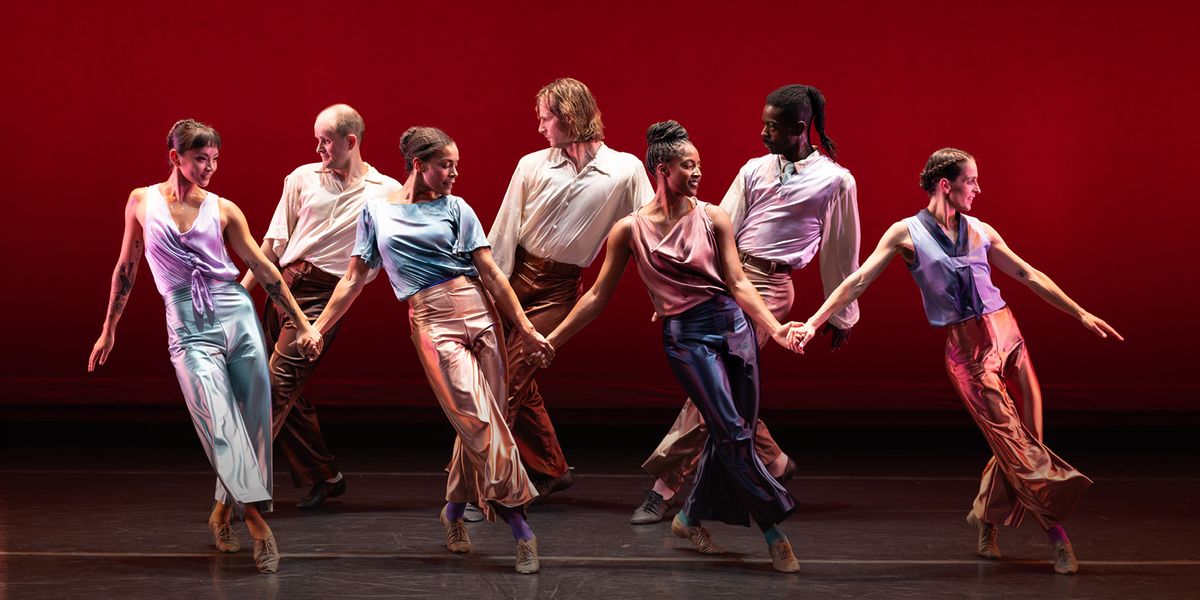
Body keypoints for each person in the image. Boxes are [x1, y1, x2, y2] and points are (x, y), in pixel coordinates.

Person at [791, 147, 1123, 575]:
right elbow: (856, 281)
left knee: (1029, 441)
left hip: (1009, 336)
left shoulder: (981, 230)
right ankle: (1058, 539)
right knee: (1021, 452)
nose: (978, 189)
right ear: (946, 185)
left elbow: (1028, 274)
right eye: (972, 181)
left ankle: (985, 518)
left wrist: (1080, 313)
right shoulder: (906, 233)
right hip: (969, 354)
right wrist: (815, 323)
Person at [546, 121, 805, 573]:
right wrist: (552, 340)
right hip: (688, 338)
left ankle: (688, 517)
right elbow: (596, 297)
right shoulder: (629, 230)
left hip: (735, 328)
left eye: (698, 164)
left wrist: (775, 328)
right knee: (732, 430)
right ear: (663, 169)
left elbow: (738, 282)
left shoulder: (714, 217)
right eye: (689, 165)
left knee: (734, 432)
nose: (698, 172)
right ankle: (773, 530)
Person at [302, 127, 552, 574]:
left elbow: (492, 273)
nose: (455, 173)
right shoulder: (377, 212)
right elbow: (353, 279)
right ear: (418, 165)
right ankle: (521, 527)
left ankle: (453, 511)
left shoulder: (457, 207)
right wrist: (318, 328)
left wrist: (527, 329)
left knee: (484, 422)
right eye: (446, 165)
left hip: (481, 314)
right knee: (479, 420)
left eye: (457, 165)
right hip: (432, 321)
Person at [88, 119, 323, 574]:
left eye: (215, 159)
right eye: (200, 159)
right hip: (187, 323)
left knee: (253, 423)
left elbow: (263, 267)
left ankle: (220, 513)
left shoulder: (224, 209)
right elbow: (127, 267)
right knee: (218, 420)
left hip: (236, 315)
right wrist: (109, 328)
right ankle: (256, 522)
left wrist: (301, 322)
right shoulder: (141, 201)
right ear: (174, 157)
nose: (210, 168)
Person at [633, 84, 862, 524]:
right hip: (727, 279)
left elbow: (841, 249)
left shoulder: (835, 180)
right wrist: (680, 287)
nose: (762, 133)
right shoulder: (755, 168)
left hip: (771, 287)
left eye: (772, 126)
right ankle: (773, 460)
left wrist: (841, 314)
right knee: (724, 388)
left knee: (710, 392)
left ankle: (664, 487)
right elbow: (715, 225)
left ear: (799, 128)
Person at [488, 78, 654, 500]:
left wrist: (664, 293)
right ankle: (552, 468)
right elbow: (504, 230)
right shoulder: (532, 164)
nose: (540, 127)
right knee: (501, 376)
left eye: (546, 118)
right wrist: (489, 290)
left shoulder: (624, 170)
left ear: (569, 116)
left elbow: (650, 235)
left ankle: (483, 484)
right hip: (513, 278)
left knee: (511, 380)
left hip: (557, 290)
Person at [242, 104, 402, 510]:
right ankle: (325, 476)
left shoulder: (386, 192)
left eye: (325, 141)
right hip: (283, 286)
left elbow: (393, 254)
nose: (318, 149)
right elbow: (272, 244)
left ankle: (239, 488)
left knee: (273, 390)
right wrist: (241, 294)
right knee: (275, 386)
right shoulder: (301, 178)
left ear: (351, 141)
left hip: (323, 297)